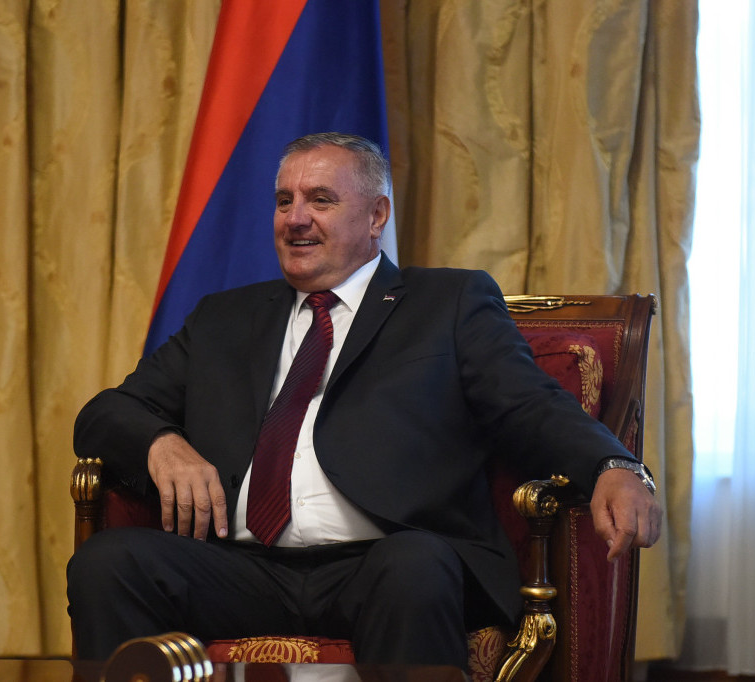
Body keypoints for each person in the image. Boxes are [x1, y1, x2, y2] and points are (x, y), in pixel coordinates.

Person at [67, 132, 661, 672]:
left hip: (384, 562)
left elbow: (529, 405)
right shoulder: (224, 318)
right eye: (283, 201)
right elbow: (105, 414)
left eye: (320, 200)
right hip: (240, 567)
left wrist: (611, 465)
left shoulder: (447, 303)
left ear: (376, 216)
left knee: (413, 567)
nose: (295, 219)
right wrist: (161, 444)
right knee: (109, 563)